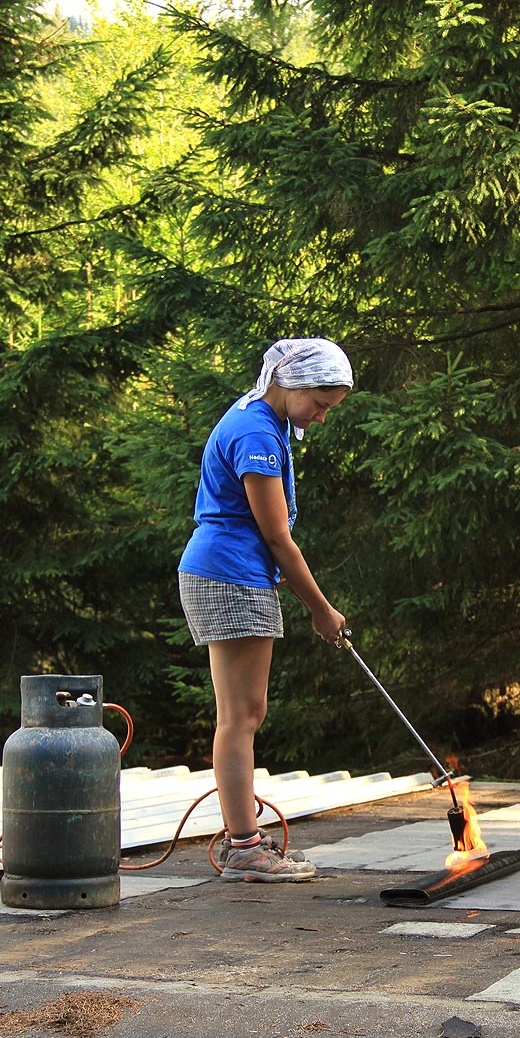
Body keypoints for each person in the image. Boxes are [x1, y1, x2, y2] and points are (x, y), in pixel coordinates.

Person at [178, 337, 353, 882]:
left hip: (234, 573)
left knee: (244, 714)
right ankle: (245, 849)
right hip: (228, 574)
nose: (321, 417)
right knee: (240, 717)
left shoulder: (263, 417)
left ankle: (243, 843)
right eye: (320, 403)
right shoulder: (255, 430)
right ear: (290, 382)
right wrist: (321, 609)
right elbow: (277, 536)